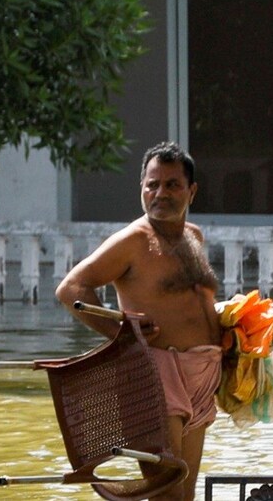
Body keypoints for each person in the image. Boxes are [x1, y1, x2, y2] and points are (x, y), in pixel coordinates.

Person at [55, 141, 221, 501]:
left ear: (191, 191)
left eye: (172, 184)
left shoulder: (194, 236)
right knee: (167, 492)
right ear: (142, 189)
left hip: (202, 374)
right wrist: (119, 332)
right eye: (152, 184)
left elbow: (194, 305)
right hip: (153, 374)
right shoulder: (131, 241)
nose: (160, 193)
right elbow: (71, 289)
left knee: (185, 493)